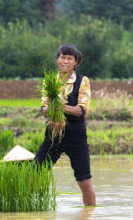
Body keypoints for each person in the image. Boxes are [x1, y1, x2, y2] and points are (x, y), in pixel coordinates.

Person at [33, 44, 96, 206]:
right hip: (53, 134)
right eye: (63, 57)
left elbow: (81, 110)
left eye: (69, 58)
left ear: (76, 62)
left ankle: (90, 215)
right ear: (57, 59)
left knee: (84, 180)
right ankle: (26, 210)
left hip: (75, 136)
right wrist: (49, 109)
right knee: (34, 174)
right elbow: (43, 110)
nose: (65, 61)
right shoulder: (50, 81)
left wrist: (61, 107)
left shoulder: (82, 81)